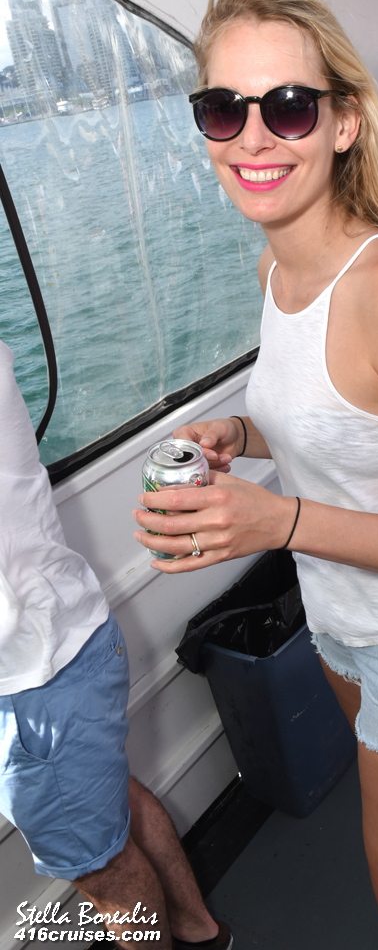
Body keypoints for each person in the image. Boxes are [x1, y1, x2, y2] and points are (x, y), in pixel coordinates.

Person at [133, 0, 378, 950]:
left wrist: (280, 522)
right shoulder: (278, 265)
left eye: (288, 106)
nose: (251, 137)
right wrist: (244, 434)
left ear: (343, 122)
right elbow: (337, 415)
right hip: (342, 619)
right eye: (223, 108)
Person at [0, 340, 230, 950]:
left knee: (103, 869)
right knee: (114, 808)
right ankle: (201, 932)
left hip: (30, 682)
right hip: (67, 641)